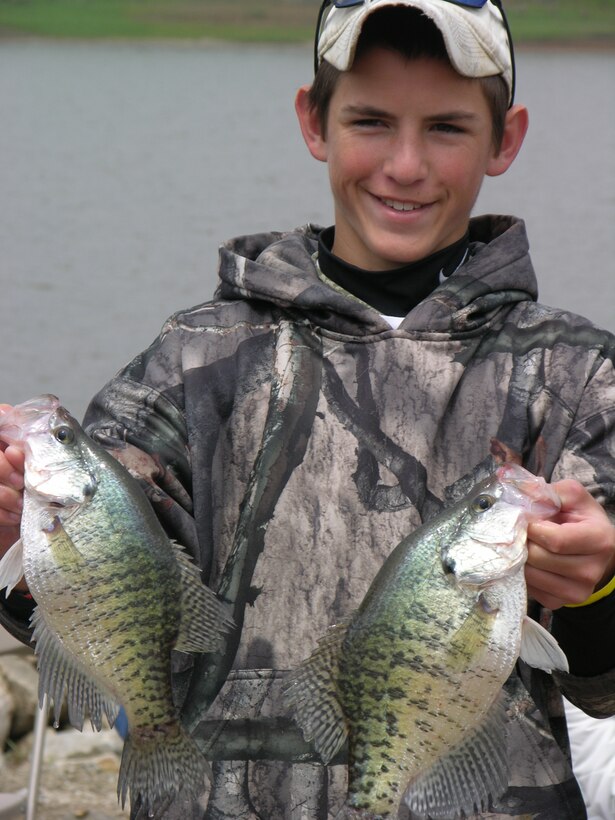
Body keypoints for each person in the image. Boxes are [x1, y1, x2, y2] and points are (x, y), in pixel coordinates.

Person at [1, 1, 614, 817]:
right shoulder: (191, 361)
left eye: (445, 127)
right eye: (369, 120)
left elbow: (600, 683)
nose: (403, 163)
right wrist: (14, 530)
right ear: (312, 121)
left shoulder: (578, 377)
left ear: (505, 139)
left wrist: (600, 585)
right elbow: (95, 595)